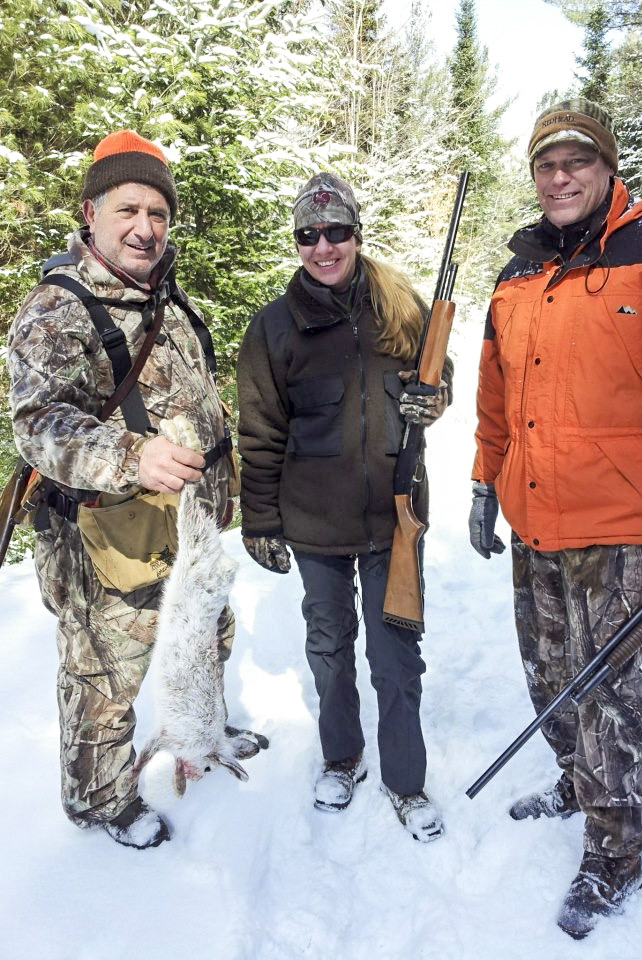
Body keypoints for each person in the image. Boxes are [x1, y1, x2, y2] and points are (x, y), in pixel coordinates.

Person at [469, 98, 642, 938]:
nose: (560, 176)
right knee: (548, 672)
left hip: (620, 519)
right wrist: (481, 483)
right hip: (534, 515)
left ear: (607, 166)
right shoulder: (516, 275)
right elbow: (495, 399)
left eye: (576, 160)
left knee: (604, 682)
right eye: (546, 164)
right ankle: (577, 780)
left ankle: (615, 850)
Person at [7, 130, 266, 849]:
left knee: (206, 636)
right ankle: (100, 803)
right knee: (105, 680)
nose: (145, 228)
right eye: (128, 210)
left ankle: (202, 731)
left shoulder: (167, 299)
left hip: (188, 530)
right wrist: (131, 455)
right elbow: (37, 425)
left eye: (157, 212)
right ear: (91, 213)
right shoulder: (60, 307)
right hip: (108, 539)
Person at [236, 173, 451, 842]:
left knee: (396, 659)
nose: (323, 246)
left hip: (394, 519)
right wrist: (260, 521)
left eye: (336, 232)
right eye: (309, 234)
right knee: (330, 648)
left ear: (357, 234)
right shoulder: (274, 329)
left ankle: (407, 782)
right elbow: (260, 433)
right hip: (314, 525)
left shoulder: (400, 306)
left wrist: (434, 400)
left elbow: (439, 375)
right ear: (297, 241)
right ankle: (342, 757)